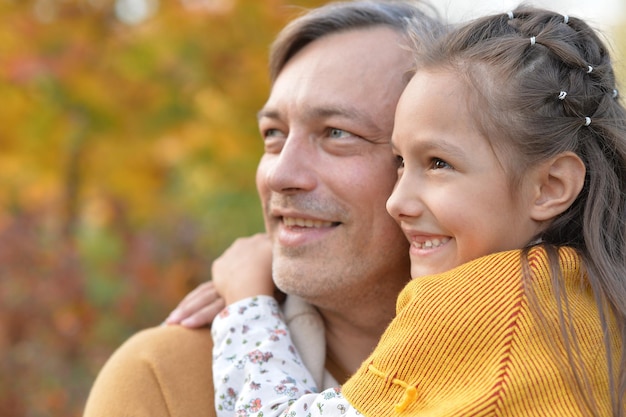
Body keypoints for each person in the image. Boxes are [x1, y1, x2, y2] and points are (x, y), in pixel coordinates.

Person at [211, 5, 626, 416]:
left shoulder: (475, 304)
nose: (397, 202)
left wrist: (247, 305)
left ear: (550, 187)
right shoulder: (591, 296)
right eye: (400, 162)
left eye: (438, 163)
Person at [82, 2, 444, 416]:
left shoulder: (520, 366)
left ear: (437, 162)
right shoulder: (164, 378)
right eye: (273, 134)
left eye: (337, 133)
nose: (279, 175)